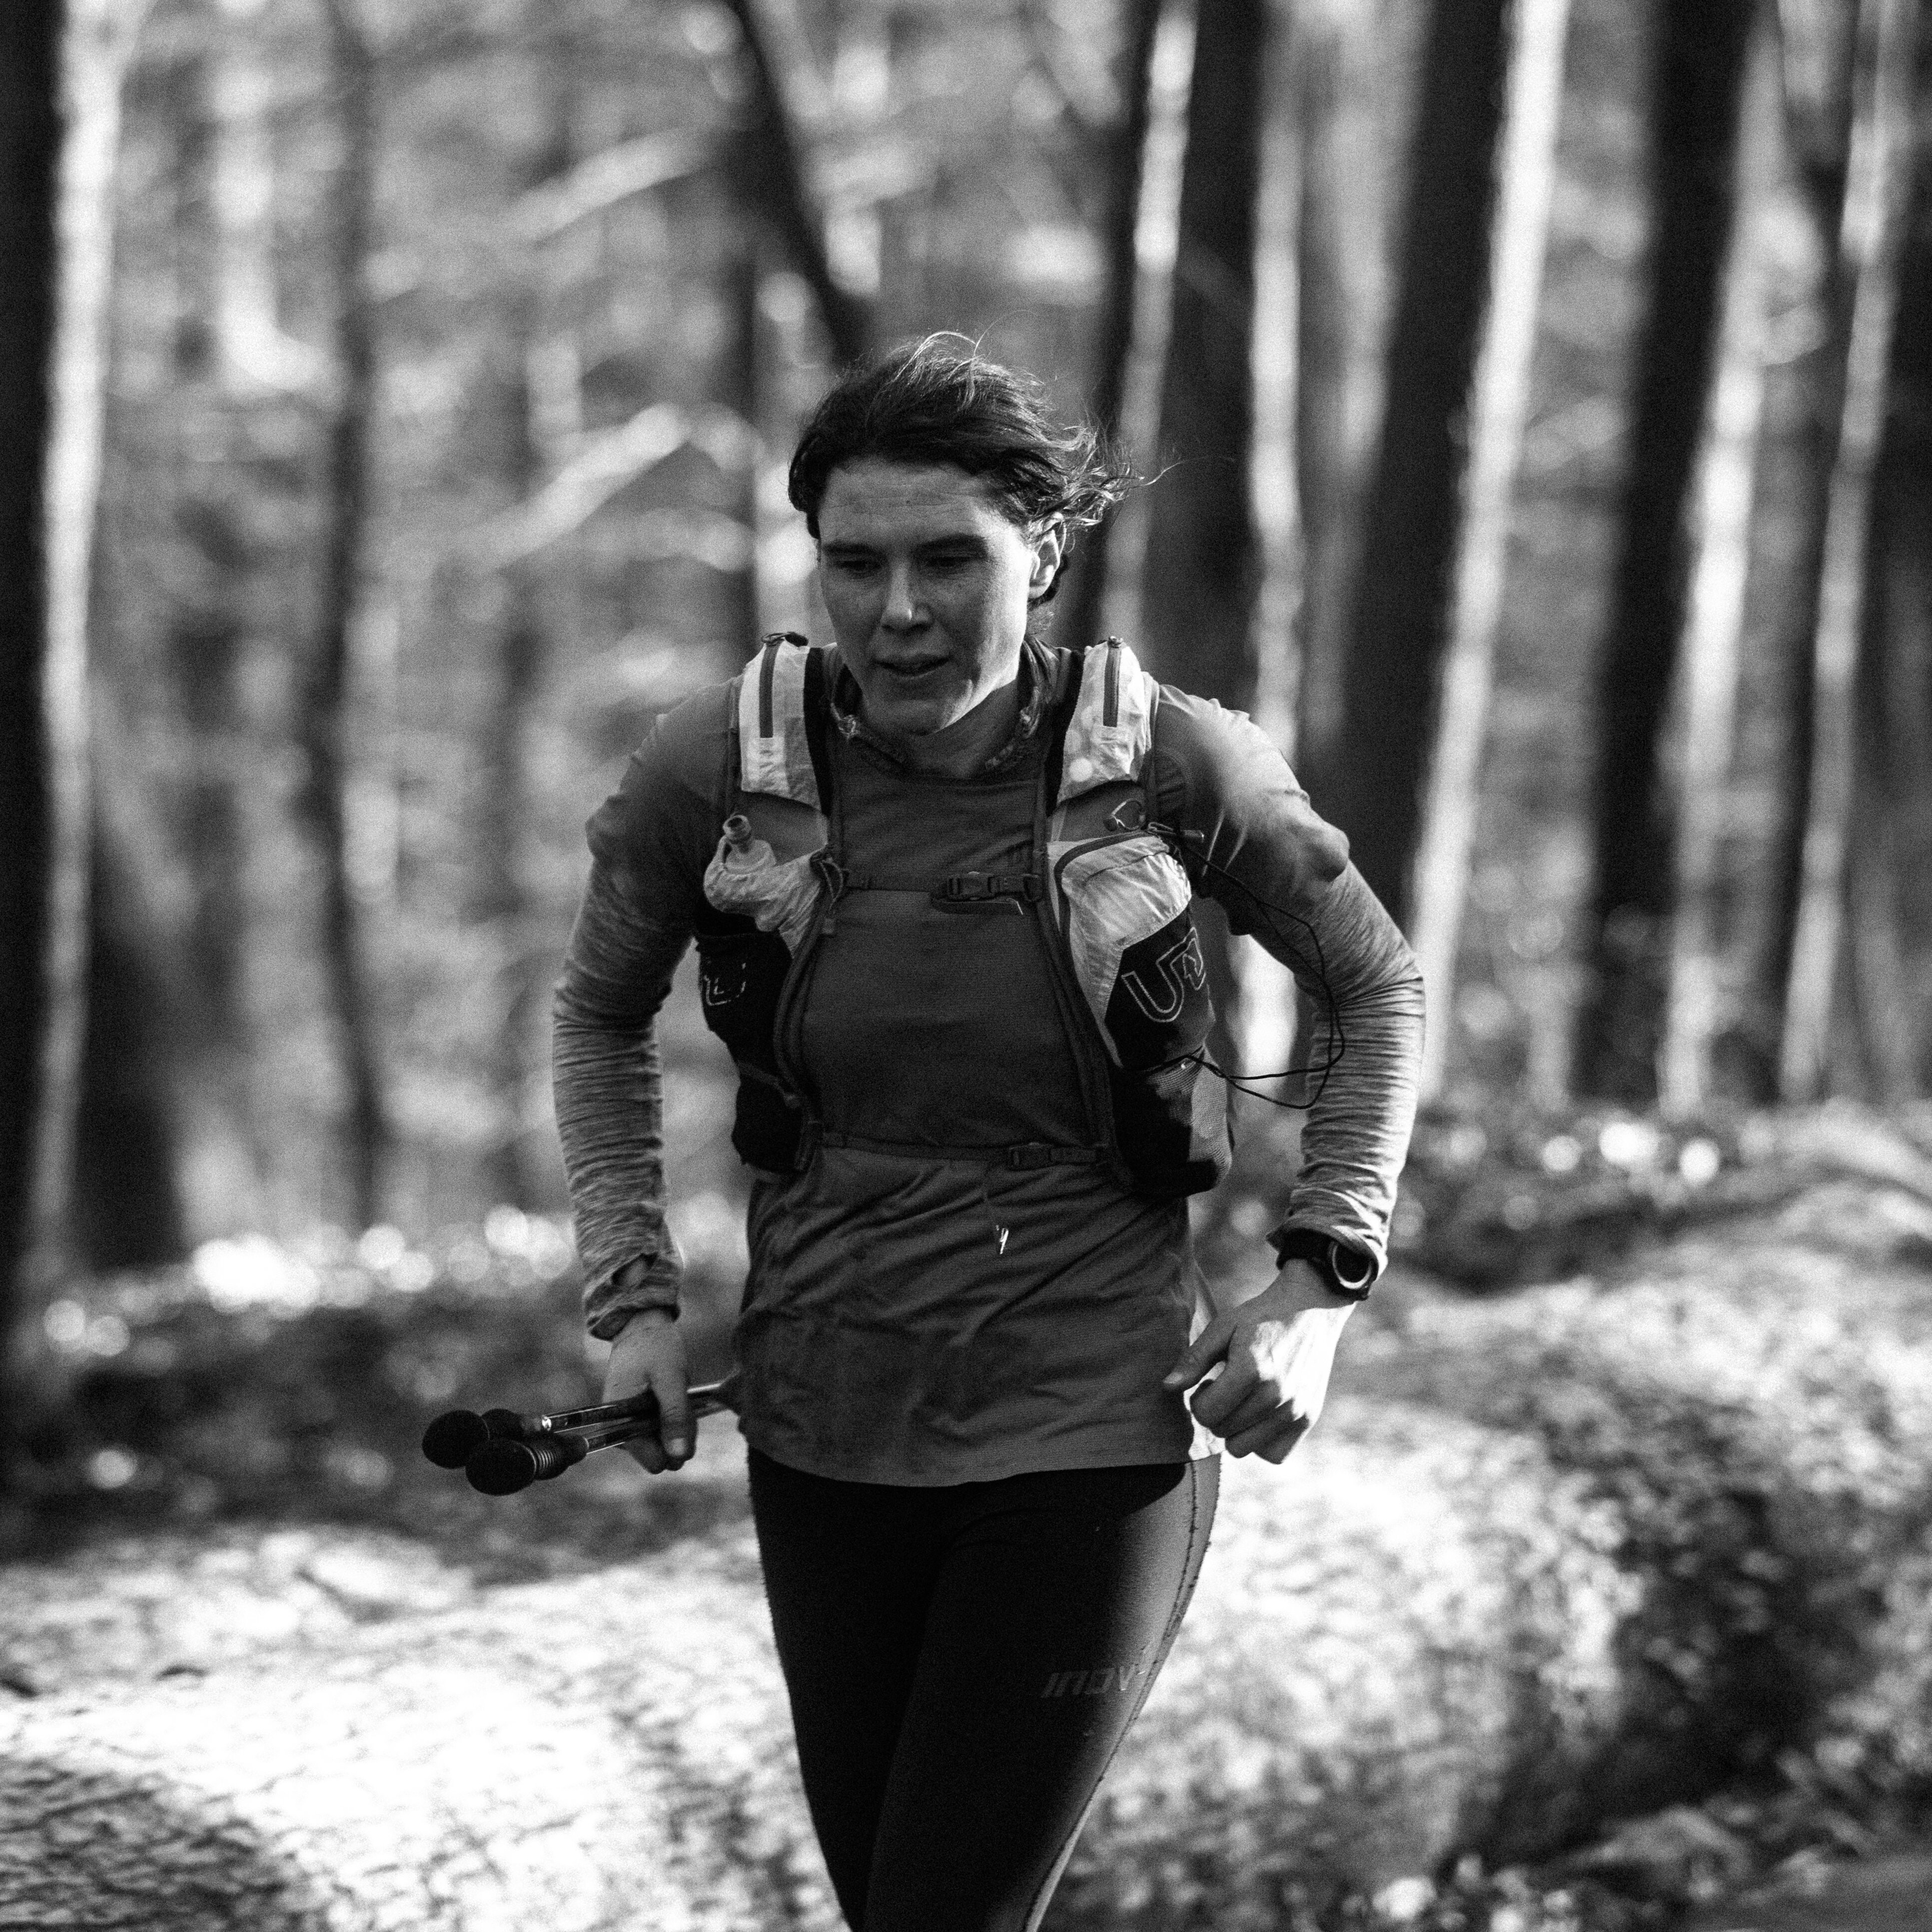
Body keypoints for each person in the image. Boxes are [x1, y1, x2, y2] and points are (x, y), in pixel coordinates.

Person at [552, 337, 1423, 1932]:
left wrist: (1317, 1284)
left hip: (1084, 1420)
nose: (897, 609)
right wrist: (634, 1300)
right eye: (854, 562)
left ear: (1044, 552)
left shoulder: (1171, 762)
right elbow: (596, 1014)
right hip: (824, 1419)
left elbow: (1377, 985)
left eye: (948, 560)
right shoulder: (719, 766)